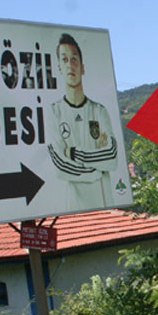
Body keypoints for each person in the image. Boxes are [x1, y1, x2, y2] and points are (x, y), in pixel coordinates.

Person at [47, 33, 118, 210]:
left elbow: (111, 156)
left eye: (74, 59)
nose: (70, 65)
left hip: (106, 206)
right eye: (64, 60)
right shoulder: (54, 112)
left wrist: (74, 153)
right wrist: (95, 171)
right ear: (59, 68)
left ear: (82, 68)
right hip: (74, 210)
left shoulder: (99, 111)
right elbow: (60, 165)